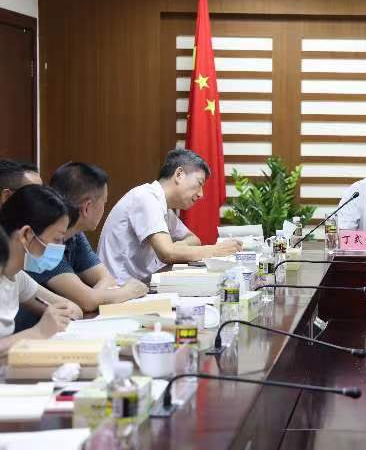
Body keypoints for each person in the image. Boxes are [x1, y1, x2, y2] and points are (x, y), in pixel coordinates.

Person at [15, 163, 148, 330]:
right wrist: (125, 292)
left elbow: (100, 284)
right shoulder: (40, 244)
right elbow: (86, 301)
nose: (60, 244)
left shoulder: (72, 236)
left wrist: (93, 297)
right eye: (104, 203)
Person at [98, 149, 241, 282]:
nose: (201, 194)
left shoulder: (163, 205)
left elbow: (194, 239)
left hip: (141, 285)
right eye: (199, 183)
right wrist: (216, 250)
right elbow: (167, 253)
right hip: (120, 290)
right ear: (179, 174)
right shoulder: (146, 197)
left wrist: (179, 246)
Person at [0, 185, 83, 354]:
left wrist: (60, 314)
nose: (61, 248)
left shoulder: (17, 277)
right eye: (57, 239)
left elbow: (73, 310)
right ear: (26, 235)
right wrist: (37, 332)